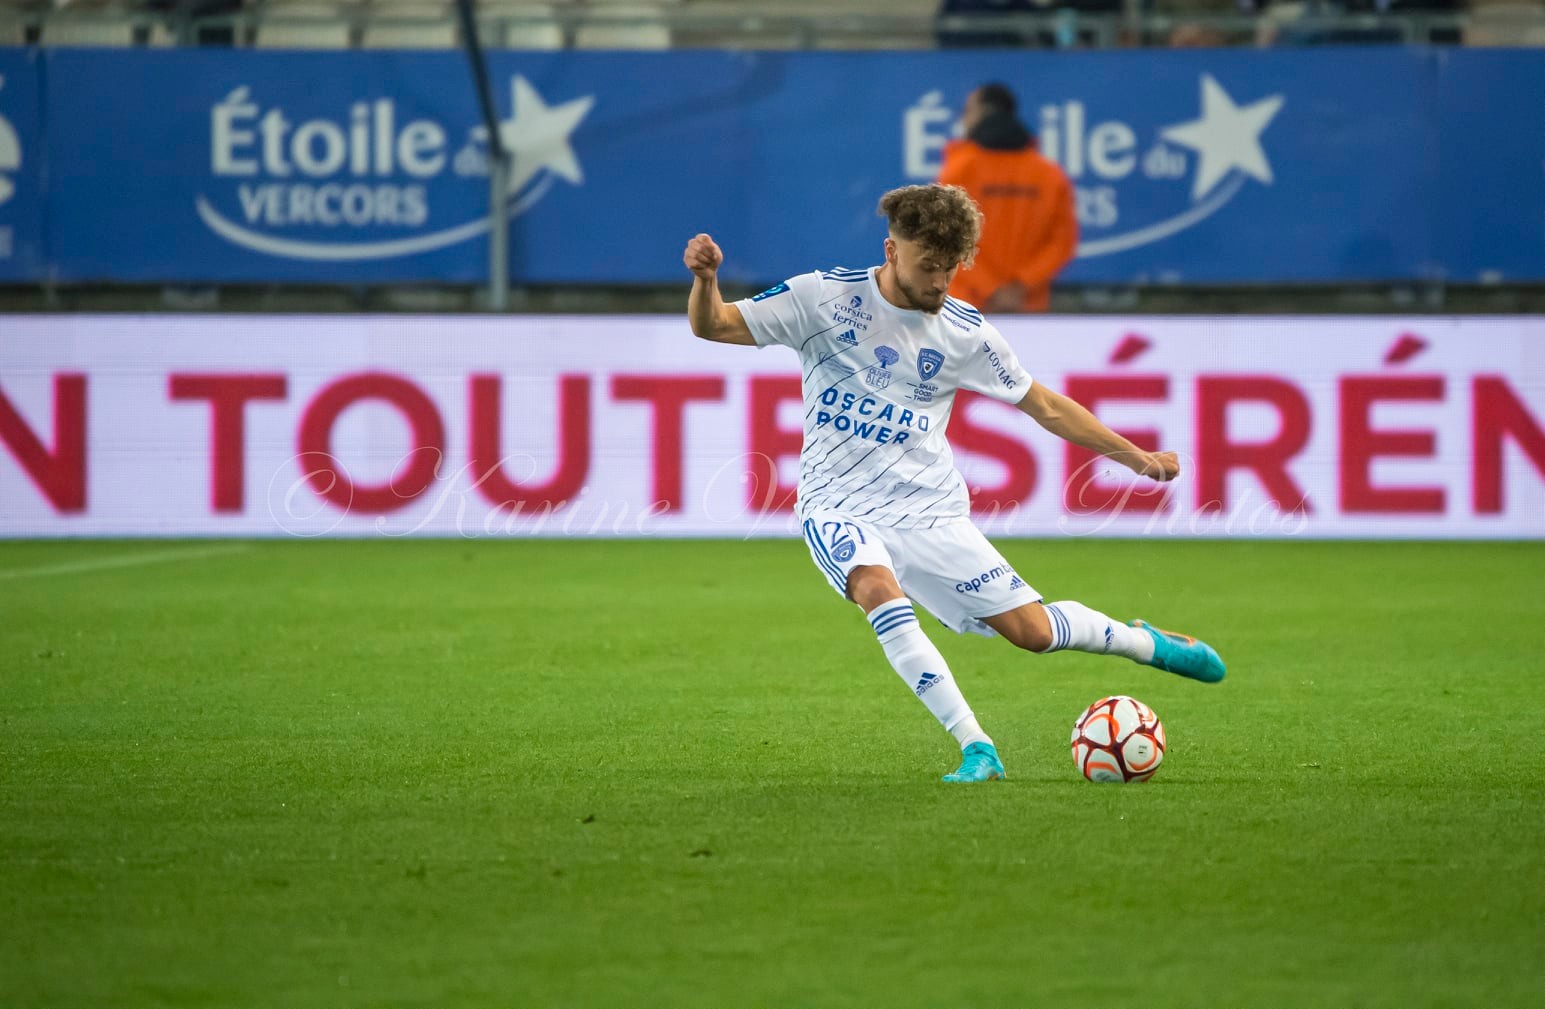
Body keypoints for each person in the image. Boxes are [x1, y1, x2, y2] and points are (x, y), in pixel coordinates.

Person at [681, 183, 1225, 783]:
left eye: (951, 268)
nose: (941, 282)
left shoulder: (965, 333)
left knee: (1033, 633)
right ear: (891, 251)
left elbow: (1044, 405)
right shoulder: (823, 298)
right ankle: (977, 747)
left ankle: (1141, 642)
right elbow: (716, 326)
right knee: (877, 592)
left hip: (931, 511)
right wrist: (706, 282)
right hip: (836, 504)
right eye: (928, 267)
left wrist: (1133, 457)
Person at [936, 83, 1078, 314]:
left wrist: (989, 288)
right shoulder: (1049, 175)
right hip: (1026, 306)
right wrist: (1021, 285)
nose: (963, 119)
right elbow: (1062, 244)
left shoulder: (959, 170)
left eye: (967, 111)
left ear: (983, 112)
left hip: (965, 309)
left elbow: (945, 238)